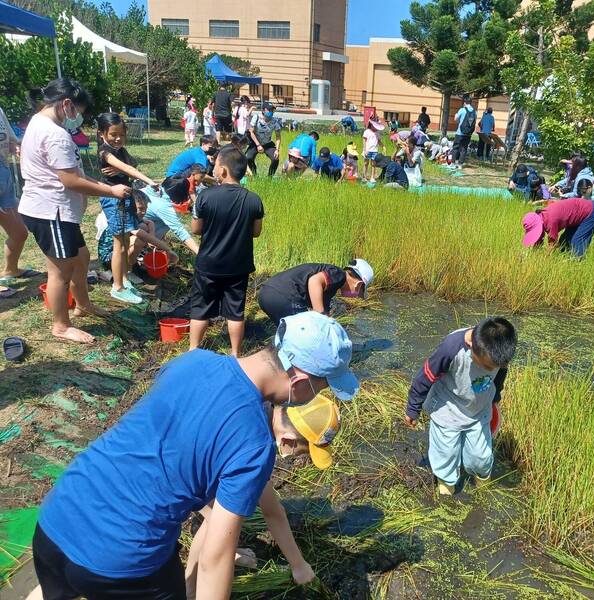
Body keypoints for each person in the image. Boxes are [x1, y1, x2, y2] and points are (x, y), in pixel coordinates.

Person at [26, 310, 358, 600]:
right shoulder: (254, 446)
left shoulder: (193, 359)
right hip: (123, 561)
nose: (317, 395)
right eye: (323, 386)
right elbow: (215, 558)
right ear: (299, 381)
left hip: (57, 517)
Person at [18, 78, 129, 344]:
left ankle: (83, 305)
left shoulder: (39, 122)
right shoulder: (54, 134)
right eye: (78, 112)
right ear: (66, 104)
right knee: (60, 271)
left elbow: (72, 173)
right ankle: (61, 325)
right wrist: (111, 191)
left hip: (56, 210)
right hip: (50, 211)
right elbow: (70, 180)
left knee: (81, 256)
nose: (78, 118)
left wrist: (100, 184)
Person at [404, 317, 517, 495]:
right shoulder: (452, 348)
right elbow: (425, 376)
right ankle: (446, 488)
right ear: (472, 346)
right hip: (447, 409)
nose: (489, 370)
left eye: (493, 367)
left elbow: (499, 378)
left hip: (478, 411)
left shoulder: (499, 355)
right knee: (446, 456)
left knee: (480, 458)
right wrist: (413, 408)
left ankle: (483, 488)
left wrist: (495, 399)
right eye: (485, 366)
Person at [189, 146, 264, 357]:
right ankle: (235, 353)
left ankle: (193, 350)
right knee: (235, 311)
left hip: (208, 265)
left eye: (215, 166)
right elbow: (256, 232)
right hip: (238, 266)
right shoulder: (253, 199)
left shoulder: (205, 196)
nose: (212, 170)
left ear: (223, 171)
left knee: (201, 308)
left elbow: (196, 230)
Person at [95, 112, 158, 304]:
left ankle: (124, 279)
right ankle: (118, 287)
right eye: (113, 134)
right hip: (114, 200)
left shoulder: (121, 151)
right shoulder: (104, 152)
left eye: (121, 134)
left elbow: (132, 163)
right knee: (119, 245)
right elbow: (130, 169)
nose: (118, 138)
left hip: (125, 197)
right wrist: (148, 180)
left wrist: (121, 167)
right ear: (101, 134)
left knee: (123, 243)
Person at [257, 259, 374, 326]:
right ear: (358, 284)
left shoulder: (331, 286)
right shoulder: (339, 274)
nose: (356, 296)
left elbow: (324, 312)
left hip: (266, 293)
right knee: (305, 335)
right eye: (359, 293)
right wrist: (321, 315)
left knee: (288, 335)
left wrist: (328, 322)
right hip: (284, 296)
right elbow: (314, 281)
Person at [96, 187, 179, 279]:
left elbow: (149, 222)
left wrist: (151, 234)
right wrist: (167, 249)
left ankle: (131, 263)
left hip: (119, 251)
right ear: (130, 206)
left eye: (146, 208)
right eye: (140, 208)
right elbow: (143, 235)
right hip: (109, 257)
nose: (144, 212)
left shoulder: (133, 216)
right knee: (139, 240)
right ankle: (127, 271)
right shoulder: (124, 219)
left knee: (144, 227)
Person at [0, 103, 34, 294]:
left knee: (19, 232)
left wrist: (16, 146)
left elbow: (10, 139)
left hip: (3, 170)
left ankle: (11, 270)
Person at [138, 175, 200, 258]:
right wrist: (199, 253)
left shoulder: (153, 189)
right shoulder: (162, 206)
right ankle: (143, 250)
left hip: (136, 223)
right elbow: (180, 231)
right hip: (136, 229)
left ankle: (155, 241)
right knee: (167, 222)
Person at [521, 198, 594, 257]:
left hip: (589, 212)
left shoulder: (550, 221)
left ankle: (577, 267)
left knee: (577, 243)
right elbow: (539, 237)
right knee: (563, 243)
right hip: (576, 215)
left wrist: (544, 259)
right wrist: (533, 252)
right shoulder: (541, 216)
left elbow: (552, 245)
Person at [245, 104, 282, 178]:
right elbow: (251, 132)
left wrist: (277, 150)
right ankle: (254, 175)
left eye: (272, 110)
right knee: (248, 157)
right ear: (263, 111)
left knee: (275, 158)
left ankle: (269, 177)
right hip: (255, 143)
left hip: (268, 143)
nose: (271, 112)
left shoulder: (275, 121)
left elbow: (278, 136)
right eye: (269, 110)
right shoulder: (257, 117)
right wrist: (258, 145)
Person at [451, 95, 476, 170]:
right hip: (468, 133)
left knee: (456, 147)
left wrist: (456, 115)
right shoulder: (474, 111)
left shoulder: (462, 110)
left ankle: (453, 163)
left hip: (460, 132)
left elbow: (456, 119)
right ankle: (460, 164)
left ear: (464, 102)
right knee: (464, 148)